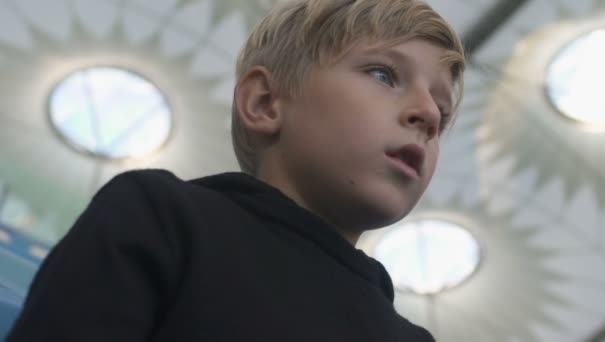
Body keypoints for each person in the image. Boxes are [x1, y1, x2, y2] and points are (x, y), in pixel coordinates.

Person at [6, 0, 465, 340]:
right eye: (384, 74)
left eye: (442, 113)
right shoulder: (164, 219)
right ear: (264, 102)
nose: (426, 113)